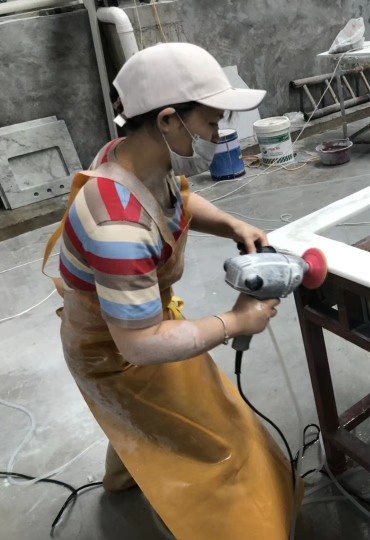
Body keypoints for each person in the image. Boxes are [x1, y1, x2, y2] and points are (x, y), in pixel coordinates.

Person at [42, 43, 297, 540]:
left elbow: (174, 199)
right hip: (116, 354)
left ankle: (125, 472)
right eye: (210, 122)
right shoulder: (117, 226)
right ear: (166, 119)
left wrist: (231, 225)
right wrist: (236, 322)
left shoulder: (134, 158)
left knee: (147, 425)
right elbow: (139, 345)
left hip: (141, 322)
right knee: (222, 453)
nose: (217, 134)